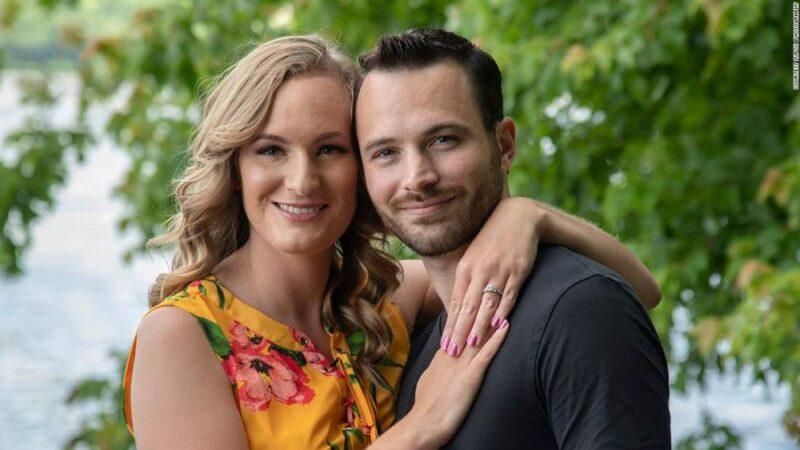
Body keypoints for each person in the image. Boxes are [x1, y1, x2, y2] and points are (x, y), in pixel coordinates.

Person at [122, 34, 662, 450]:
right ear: (234, 166)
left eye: (330, 149)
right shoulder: (182, 335)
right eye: (270, 150)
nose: (302, 180)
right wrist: (418, 428)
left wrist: (528, 215)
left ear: (360, 168)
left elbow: (639, 290)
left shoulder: (382, 302)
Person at [356, 28, 672, 448]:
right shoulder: (410, 340)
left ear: (504, 145)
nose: (417, 177)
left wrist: (533, 213)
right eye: (385, 153)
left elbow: (646, 290)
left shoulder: (582, 309)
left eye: (444, 140)